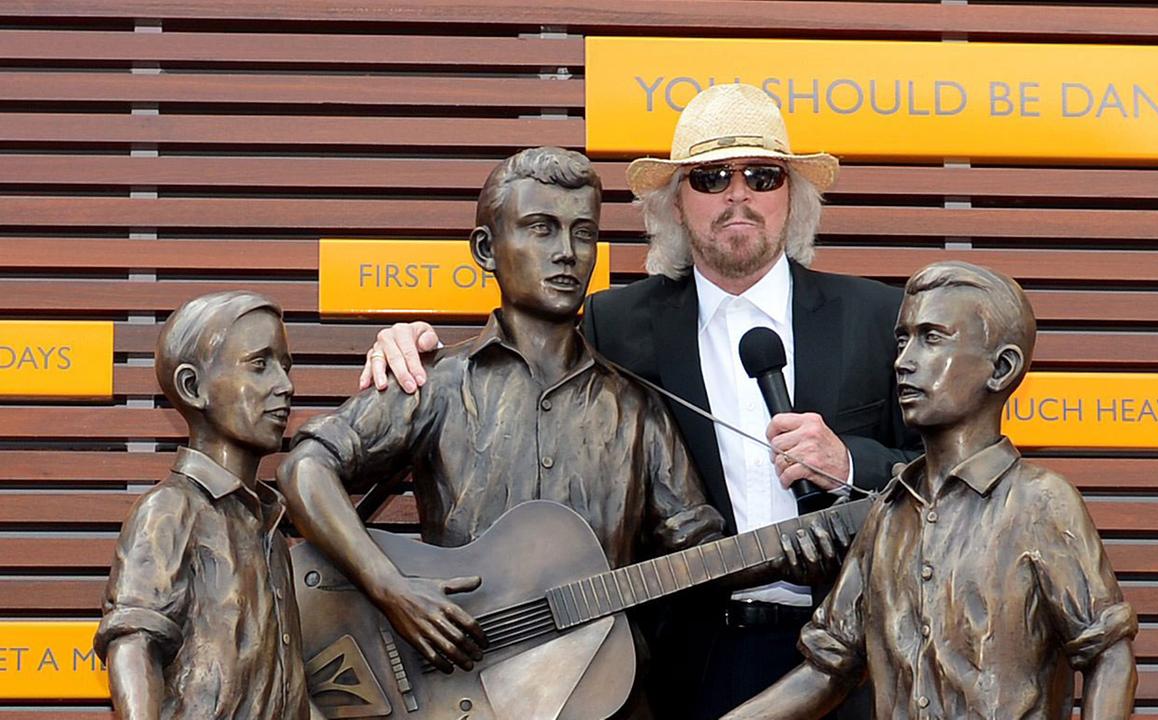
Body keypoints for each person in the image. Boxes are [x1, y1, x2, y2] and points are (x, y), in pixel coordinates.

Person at [360, 83, 921, 717]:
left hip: (852, 653)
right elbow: (515, 358)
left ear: (793, 196)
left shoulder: (877, 317)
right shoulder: (610, 325)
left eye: (762, 176)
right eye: (710, 178)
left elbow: (944, 482)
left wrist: (851, 464)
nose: (738, 195)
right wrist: (408, 343)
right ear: (676, 204)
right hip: (680, 663)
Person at [724, 261, 1139, 720]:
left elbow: (1108, 654)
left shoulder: (1040, 504)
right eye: (902, 340)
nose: (904, 361)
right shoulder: (887, 514)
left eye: (932, 337)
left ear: (1001, 368)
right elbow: (829, 666)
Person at [94, 292, 314, 719]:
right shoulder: (169, 511)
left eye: (284, 366)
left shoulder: (270, 526)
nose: (285, 386)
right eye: (259, 364)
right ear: (193, 388)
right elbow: (133, 643)